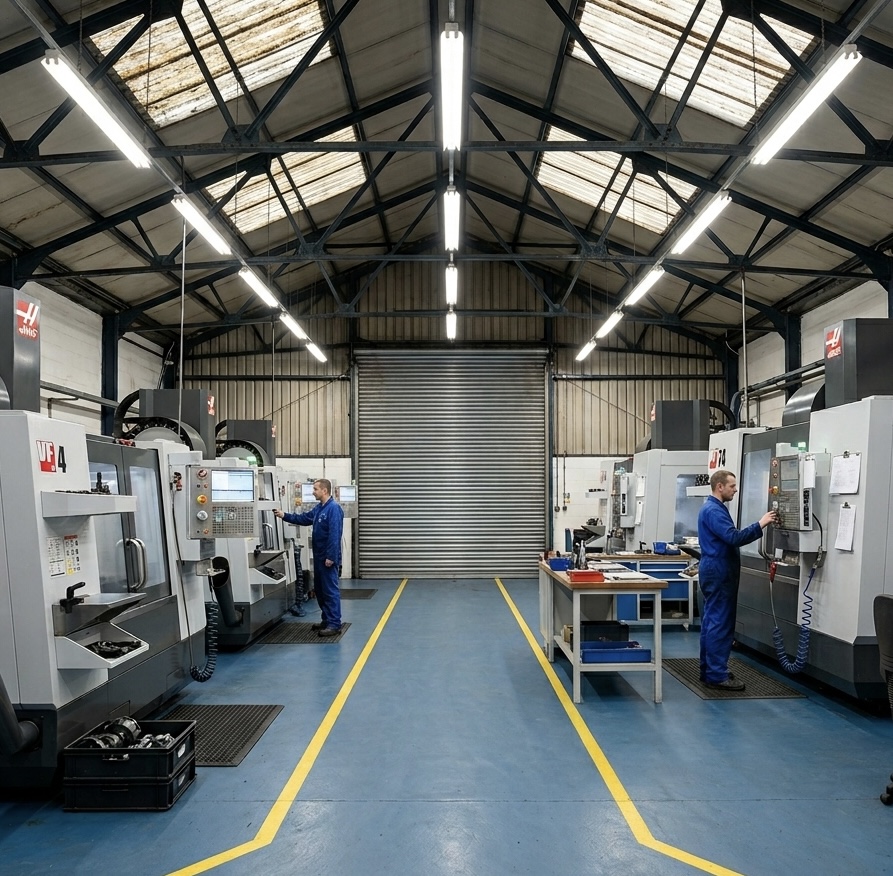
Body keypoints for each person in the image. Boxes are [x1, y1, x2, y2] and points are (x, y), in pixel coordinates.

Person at [697, 469, 777, 691]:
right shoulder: (714, 510)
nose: (735, 489)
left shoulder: (712, 508)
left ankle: (710, 670)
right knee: (720, 623)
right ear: (719, 486)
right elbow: (734, 537)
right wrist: (761, 523)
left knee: (712, 621)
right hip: (719, 570)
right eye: (732, 486)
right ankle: (716, 675)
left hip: (716, 569)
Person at [274, 479, 345, 637]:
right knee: (320, 590)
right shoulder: (320, 508)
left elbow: (335, 535)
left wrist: (331, 557)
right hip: (320, 558)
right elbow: (303, 519)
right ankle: (326, 620)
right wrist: (283, 515)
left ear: (324, 491)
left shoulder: (333, 509)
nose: (313, 491)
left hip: (328, 558)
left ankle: (335, 624)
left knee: (330, 591)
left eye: (315, 489)